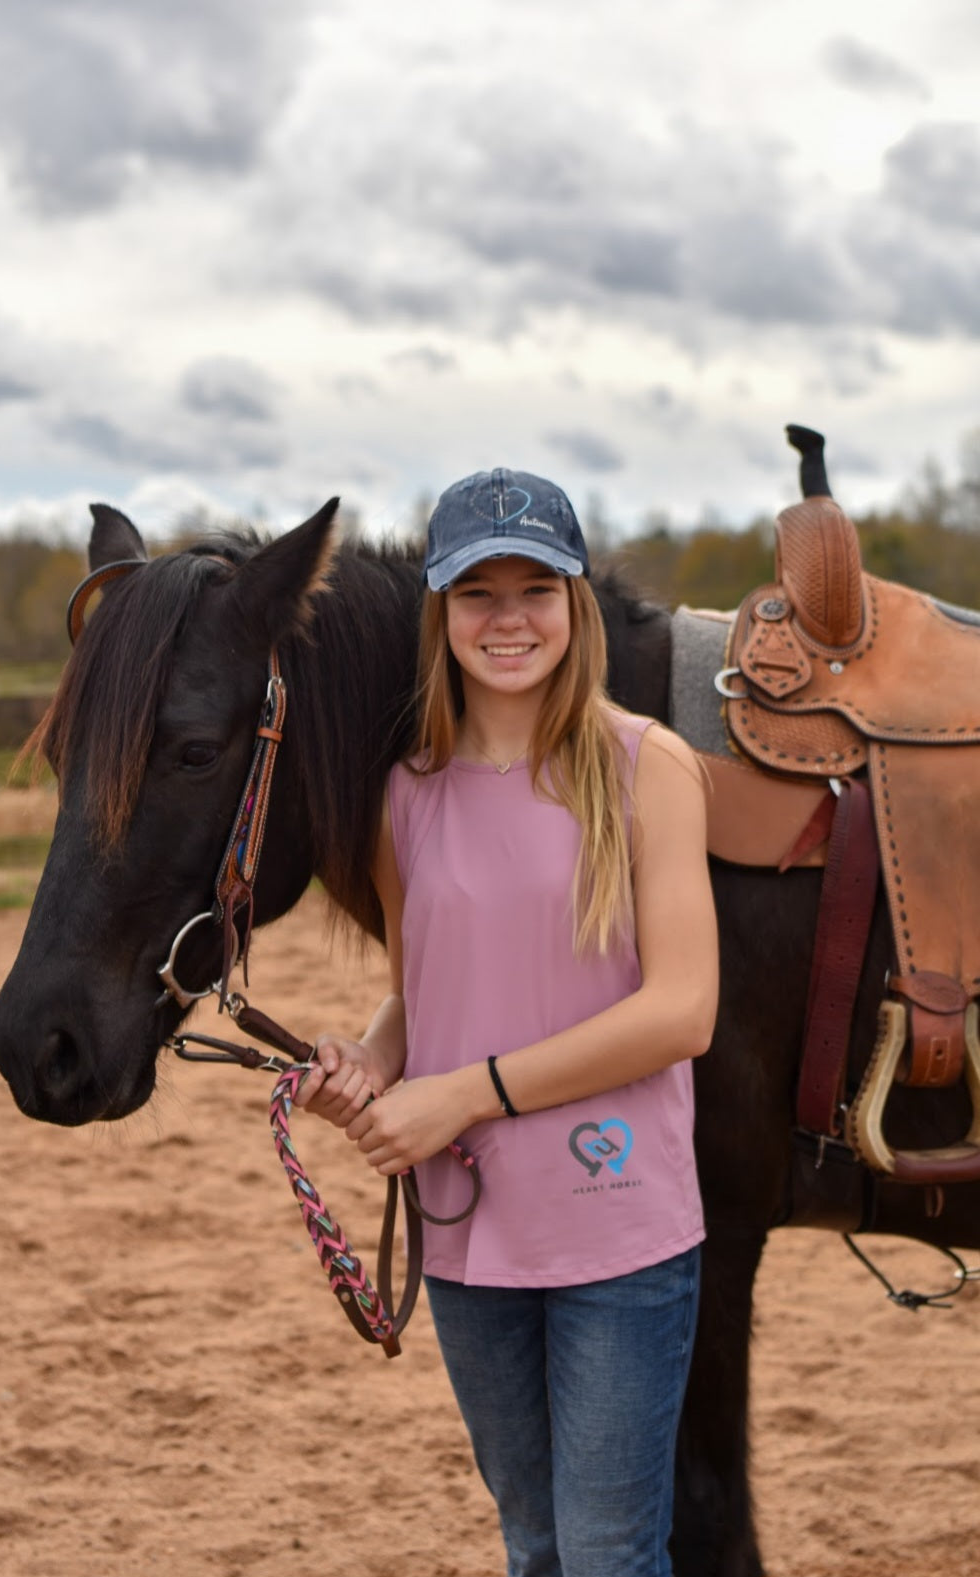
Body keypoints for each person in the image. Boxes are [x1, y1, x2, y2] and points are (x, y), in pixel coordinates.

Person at [296, 467, 718, 1577]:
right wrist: (368, 1057)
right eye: (476, 591)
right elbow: (423, 982)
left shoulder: (647, 767)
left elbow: (682, 1010)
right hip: (467, 1228)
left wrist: (459, 1092)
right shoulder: (402, 793)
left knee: (609, 1550)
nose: (507, 616)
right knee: (533, 1542)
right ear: (439, 612)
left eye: (536, 586)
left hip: (615, 1222)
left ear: (574, 603)